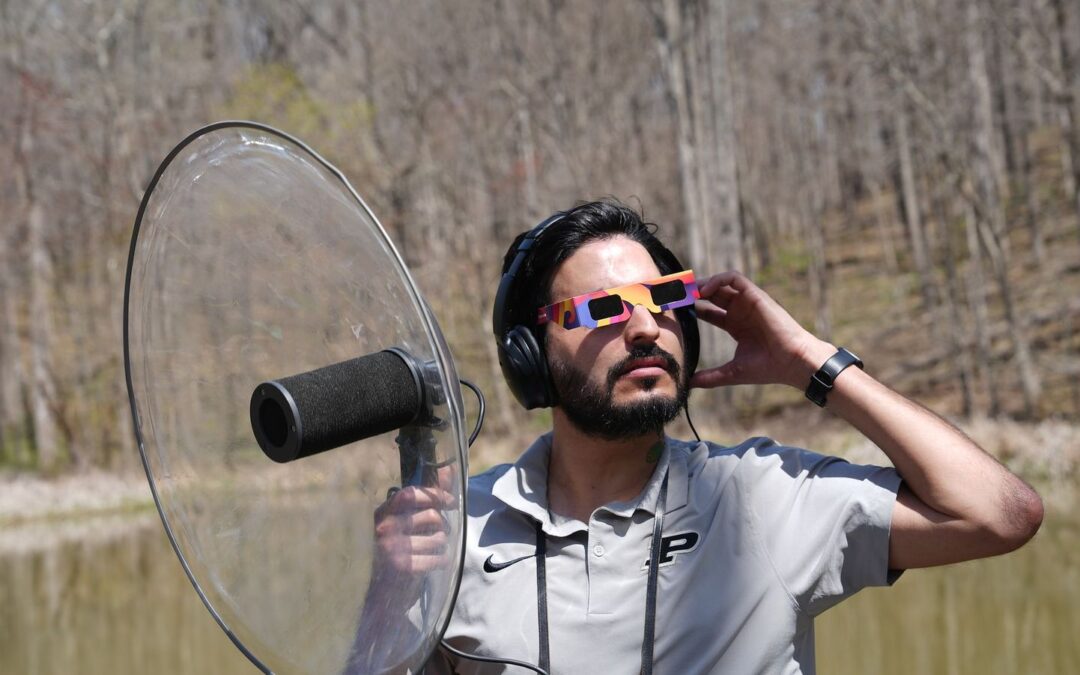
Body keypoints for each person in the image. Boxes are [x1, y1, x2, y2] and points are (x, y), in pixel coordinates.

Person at [376, 199, 1043, 674]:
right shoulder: (458, 528)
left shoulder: (760, 496)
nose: (645, 328)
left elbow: (999, 513)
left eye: (664, 300)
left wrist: (810, 363)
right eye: (604, 308)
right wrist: (391, 590)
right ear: (528, 353)